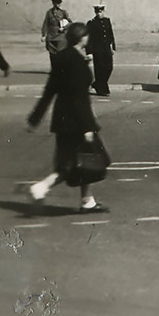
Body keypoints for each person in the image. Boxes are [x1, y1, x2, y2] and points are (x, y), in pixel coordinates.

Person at [26, 21, 107, 212]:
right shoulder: (77, 63)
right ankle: (41, 187)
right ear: (82, 38)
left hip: (62, 120)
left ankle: (87, 201)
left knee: (85, 162)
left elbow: (49, 91)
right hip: (77, 122)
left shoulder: (61, 57)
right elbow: (79, 98)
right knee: (74, 163)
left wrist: (34, 119)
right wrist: (88, 127)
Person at [88, 4, 117, 96]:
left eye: (101, 11)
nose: (99, 14)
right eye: (97, 12)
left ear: (103, 11)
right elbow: (88, 39)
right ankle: (102, 89)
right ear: (95, 12)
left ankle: (97, 84)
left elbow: (110, 34)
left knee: (109, 67)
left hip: (106, 48)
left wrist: (113, 47)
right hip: (97, 48)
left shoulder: (107, 21)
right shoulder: (91, 23)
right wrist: (89, 52)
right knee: (99, 69)